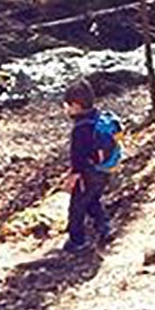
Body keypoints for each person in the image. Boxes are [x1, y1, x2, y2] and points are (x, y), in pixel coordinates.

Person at [63, 78, 113, 251]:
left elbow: (77, 155)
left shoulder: (80, 128)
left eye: (67, 105)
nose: (66, 109)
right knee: (92, 200)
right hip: (104, 170)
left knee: (76, 207)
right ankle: (104, 226)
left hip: (87, 174)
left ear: (76, 105)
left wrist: (73, 177)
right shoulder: (98, 117)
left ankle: (77, 240)